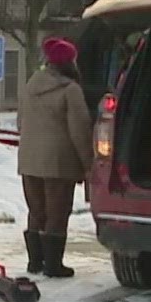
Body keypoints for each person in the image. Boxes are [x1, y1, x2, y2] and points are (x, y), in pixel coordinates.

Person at [17, 37, 93, 279]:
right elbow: (79, 130)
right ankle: (53, 264)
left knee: (36, 210)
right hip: (59, 161)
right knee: (57, 212)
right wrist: (89, 164)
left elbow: (21, 122)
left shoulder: (31, 85)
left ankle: (34, 262)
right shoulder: (71, 90)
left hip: (29, 159)